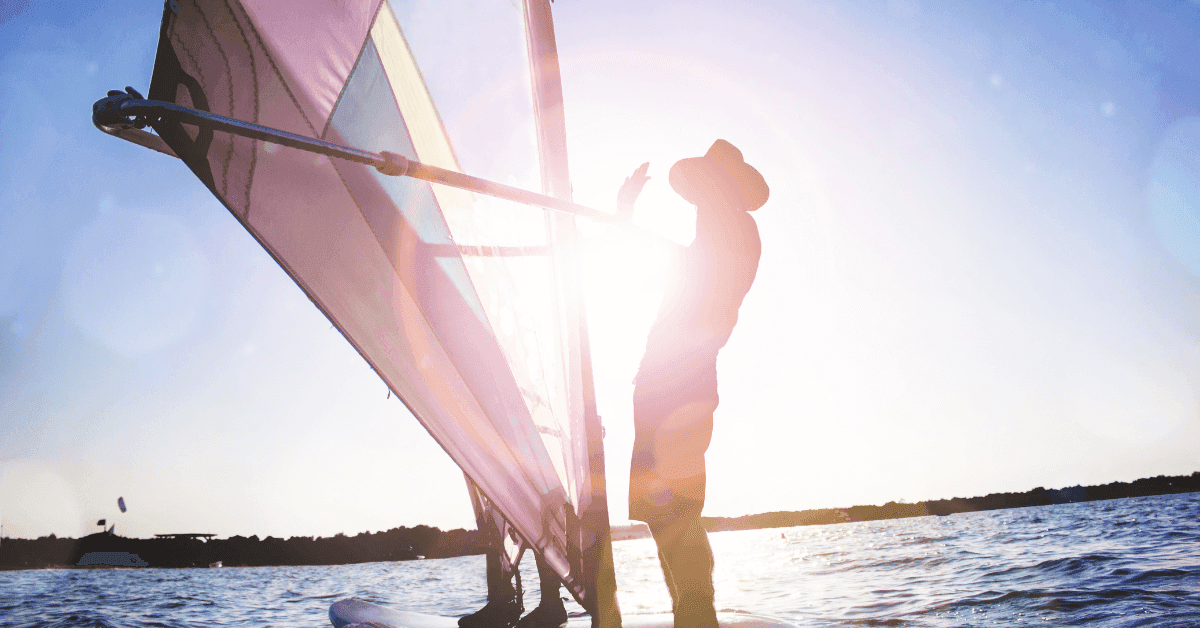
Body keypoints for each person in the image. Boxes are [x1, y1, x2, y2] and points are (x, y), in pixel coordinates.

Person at [619, 140, 768, 628]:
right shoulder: (712, 239)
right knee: (662, 513)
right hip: (665, 381)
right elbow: (659, 264)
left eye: (709, 183)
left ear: (724, 189)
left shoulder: (734, 236)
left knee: (675, 510)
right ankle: (690, 615)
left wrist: (624, 216)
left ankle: (698, 615)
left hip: (680, 384)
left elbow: (676, 266)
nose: (701, 195)